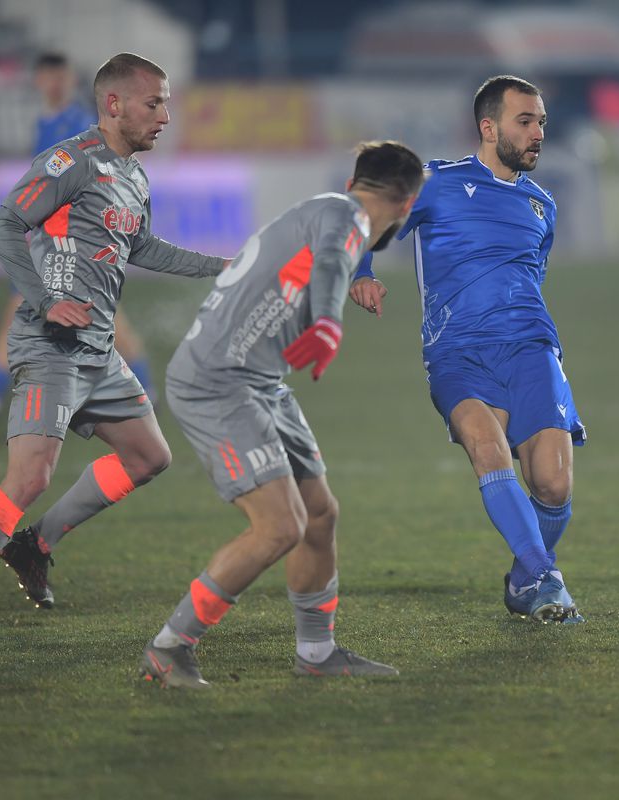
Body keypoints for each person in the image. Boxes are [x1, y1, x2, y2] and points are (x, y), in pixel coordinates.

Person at [0, 52, 231, 643]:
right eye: (154, 102)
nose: (165, 115)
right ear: (114, 105)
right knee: (29, 477)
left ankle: (36, 544)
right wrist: (41, 300)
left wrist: (223, 267)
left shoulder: (135, 175)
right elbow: (5, 224)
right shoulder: (71, 161)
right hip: (50, 346)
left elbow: (144, 250)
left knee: (149, 458)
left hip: (98, 350)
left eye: (166, 102)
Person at [138, 140, 424, 689]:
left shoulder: (327, 210)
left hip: (260, 382)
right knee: (280, 526)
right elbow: (337, 264)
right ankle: (169, 647)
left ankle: (317, 653)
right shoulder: (345, 218)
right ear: (407, 204)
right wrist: (328, 324)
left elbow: (330, 261)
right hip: (218, 384)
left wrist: (321, 321)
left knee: (319, 514)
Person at [350, 75, 586, 625]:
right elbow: (366, 208)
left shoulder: (542, 205)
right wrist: (362, 271)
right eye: (525, 121)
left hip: (531, 349)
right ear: (488, 126)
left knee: (552, 483)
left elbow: (531, 277)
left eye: (542, 123)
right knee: (487, 448)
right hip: (457, 353)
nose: (537, 133)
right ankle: (547, 579)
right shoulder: (438, 182)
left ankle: (525, 579)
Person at [0, 51, 159, 420]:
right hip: (54, 240)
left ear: (69, 79)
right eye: (49, 76)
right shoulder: (44, 124)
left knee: (102, 318)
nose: (55, 83)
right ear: (39, 81)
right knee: (45, 312)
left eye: (61, 76)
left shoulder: (78, 123)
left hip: (78, 239)